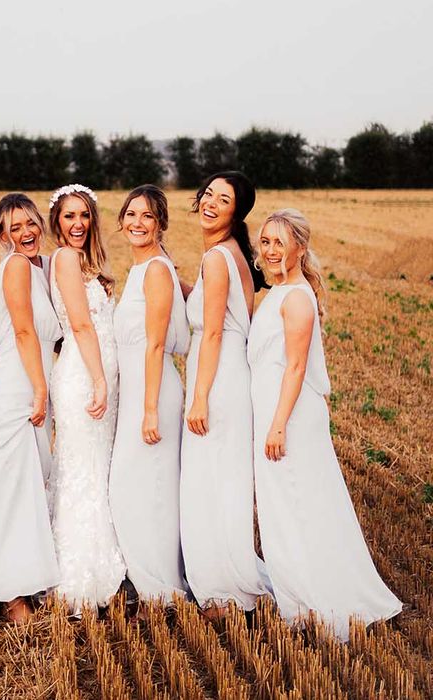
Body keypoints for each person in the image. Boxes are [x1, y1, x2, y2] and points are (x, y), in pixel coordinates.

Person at [249, 208, 401, 640]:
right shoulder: (276, 294)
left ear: (299, 246)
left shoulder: (297, 298)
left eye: (280, 241)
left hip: (290, 418)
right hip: (275, 412)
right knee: (284, 506)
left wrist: (277, 424)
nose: (272, 249)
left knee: (300, 503)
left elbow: (295, 368)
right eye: (266, 241)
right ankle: (299, 596)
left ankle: (321, 600)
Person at [180, 171, 271, 615]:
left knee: (209, 480)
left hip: (215, 378)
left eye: (224, 199)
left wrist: (198, 397)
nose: (211, 203)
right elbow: (209, 304)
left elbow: (212, 331)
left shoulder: (217, 257)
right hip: (231, 375)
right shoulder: (232, 253)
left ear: (237, 212)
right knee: (224, 478)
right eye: (209, 195)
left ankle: (223, 589)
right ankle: (228, 577)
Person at [0, 193, 61, 624]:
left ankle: (28, 580)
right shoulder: (14, 267)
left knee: (31, 489)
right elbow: (25, 332)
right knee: (11, 492)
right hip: (13, 392)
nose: (26, 232)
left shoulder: (40, 269)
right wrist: (42, 388)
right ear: (3, 236)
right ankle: (10, 596)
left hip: (30, 390)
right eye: (15, 227)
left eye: (31, 223)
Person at [108, 185, 191, 606]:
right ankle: (145, 578)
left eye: (147, 216)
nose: (138, 223)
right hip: (140, 391)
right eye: (132, 215)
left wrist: (150, 409)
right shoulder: (143, 269)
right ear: (121, 221)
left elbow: (156, 345)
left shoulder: (157, 270)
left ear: (160, 224)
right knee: (135, 486)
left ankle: (160, 586)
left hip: (154, 392)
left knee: (146, 487)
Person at [46, 184, 125, 612]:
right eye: (68, 216)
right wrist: (98, 380)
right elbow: (79, 324)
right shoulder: (64, 258)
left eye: (84, 216)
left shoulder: (89, 262)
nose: (77, 224)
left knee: (98, 468)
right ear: (56, 222)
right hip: (83, 375)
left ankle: (105, 561)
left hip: (99, 372)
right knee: (84, 468)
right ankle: (78, 575)